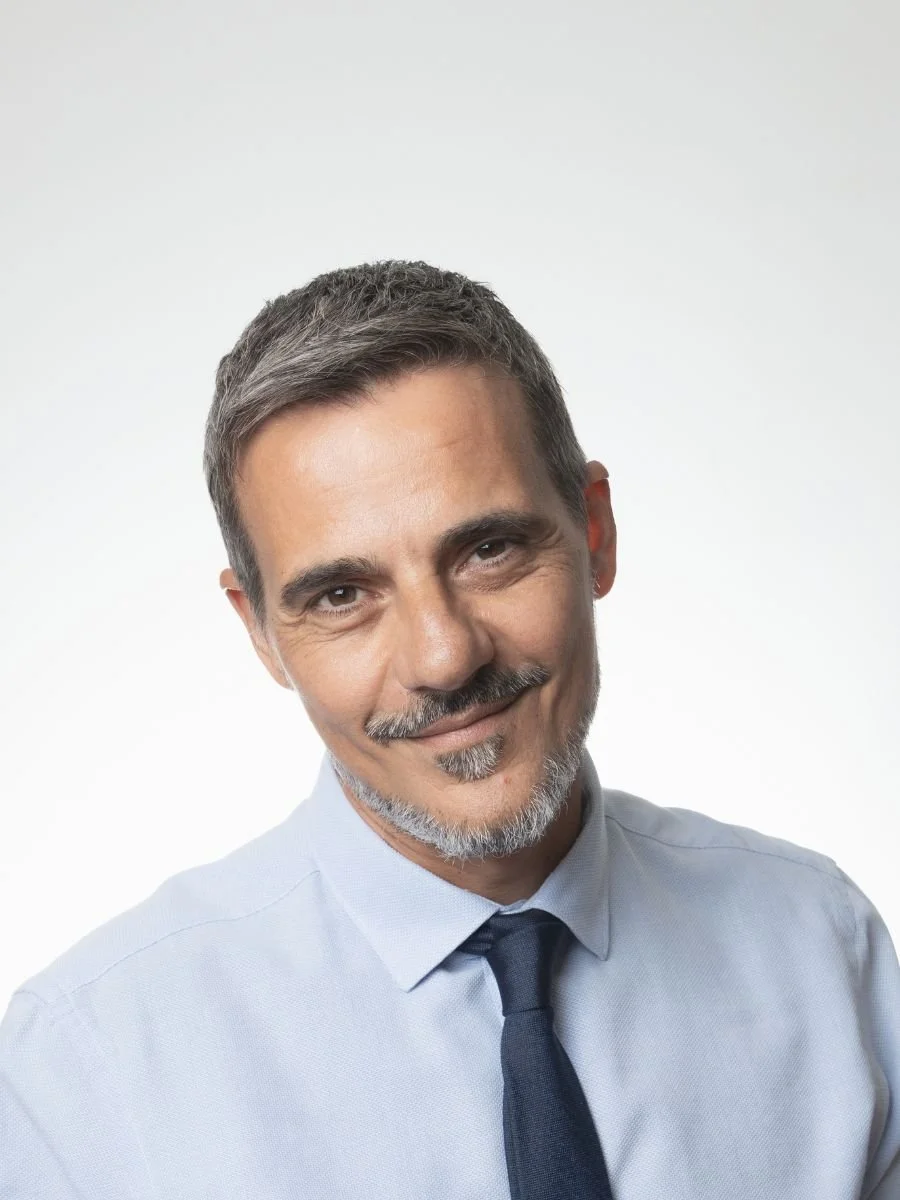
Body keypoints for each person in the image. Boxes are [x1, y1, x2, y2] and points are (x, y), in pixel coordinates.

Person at [1, 260, 897, 1199]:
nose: (444, 657)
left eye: (489, 549)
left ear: (594, 531)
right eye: (342, 594)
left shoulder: (821, 948)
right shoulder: (86, 1072)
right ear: (260, 631)